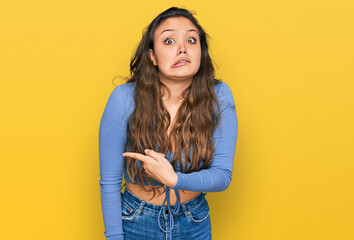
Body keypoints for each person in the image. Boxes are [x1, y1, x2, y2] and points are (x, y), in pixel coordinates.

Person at [99, 6, 238, 240]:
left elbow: (222, 175)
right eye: (169, 41)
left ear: (200, 52)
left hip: (194, 221)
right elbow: (110, 182)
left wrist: (175, 179)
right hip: (137, 220)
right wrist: (114, 237)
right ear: (152, 56)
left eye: (191, 40)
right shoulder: (124, 98)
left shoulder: (219, 96)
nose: (182, 48)